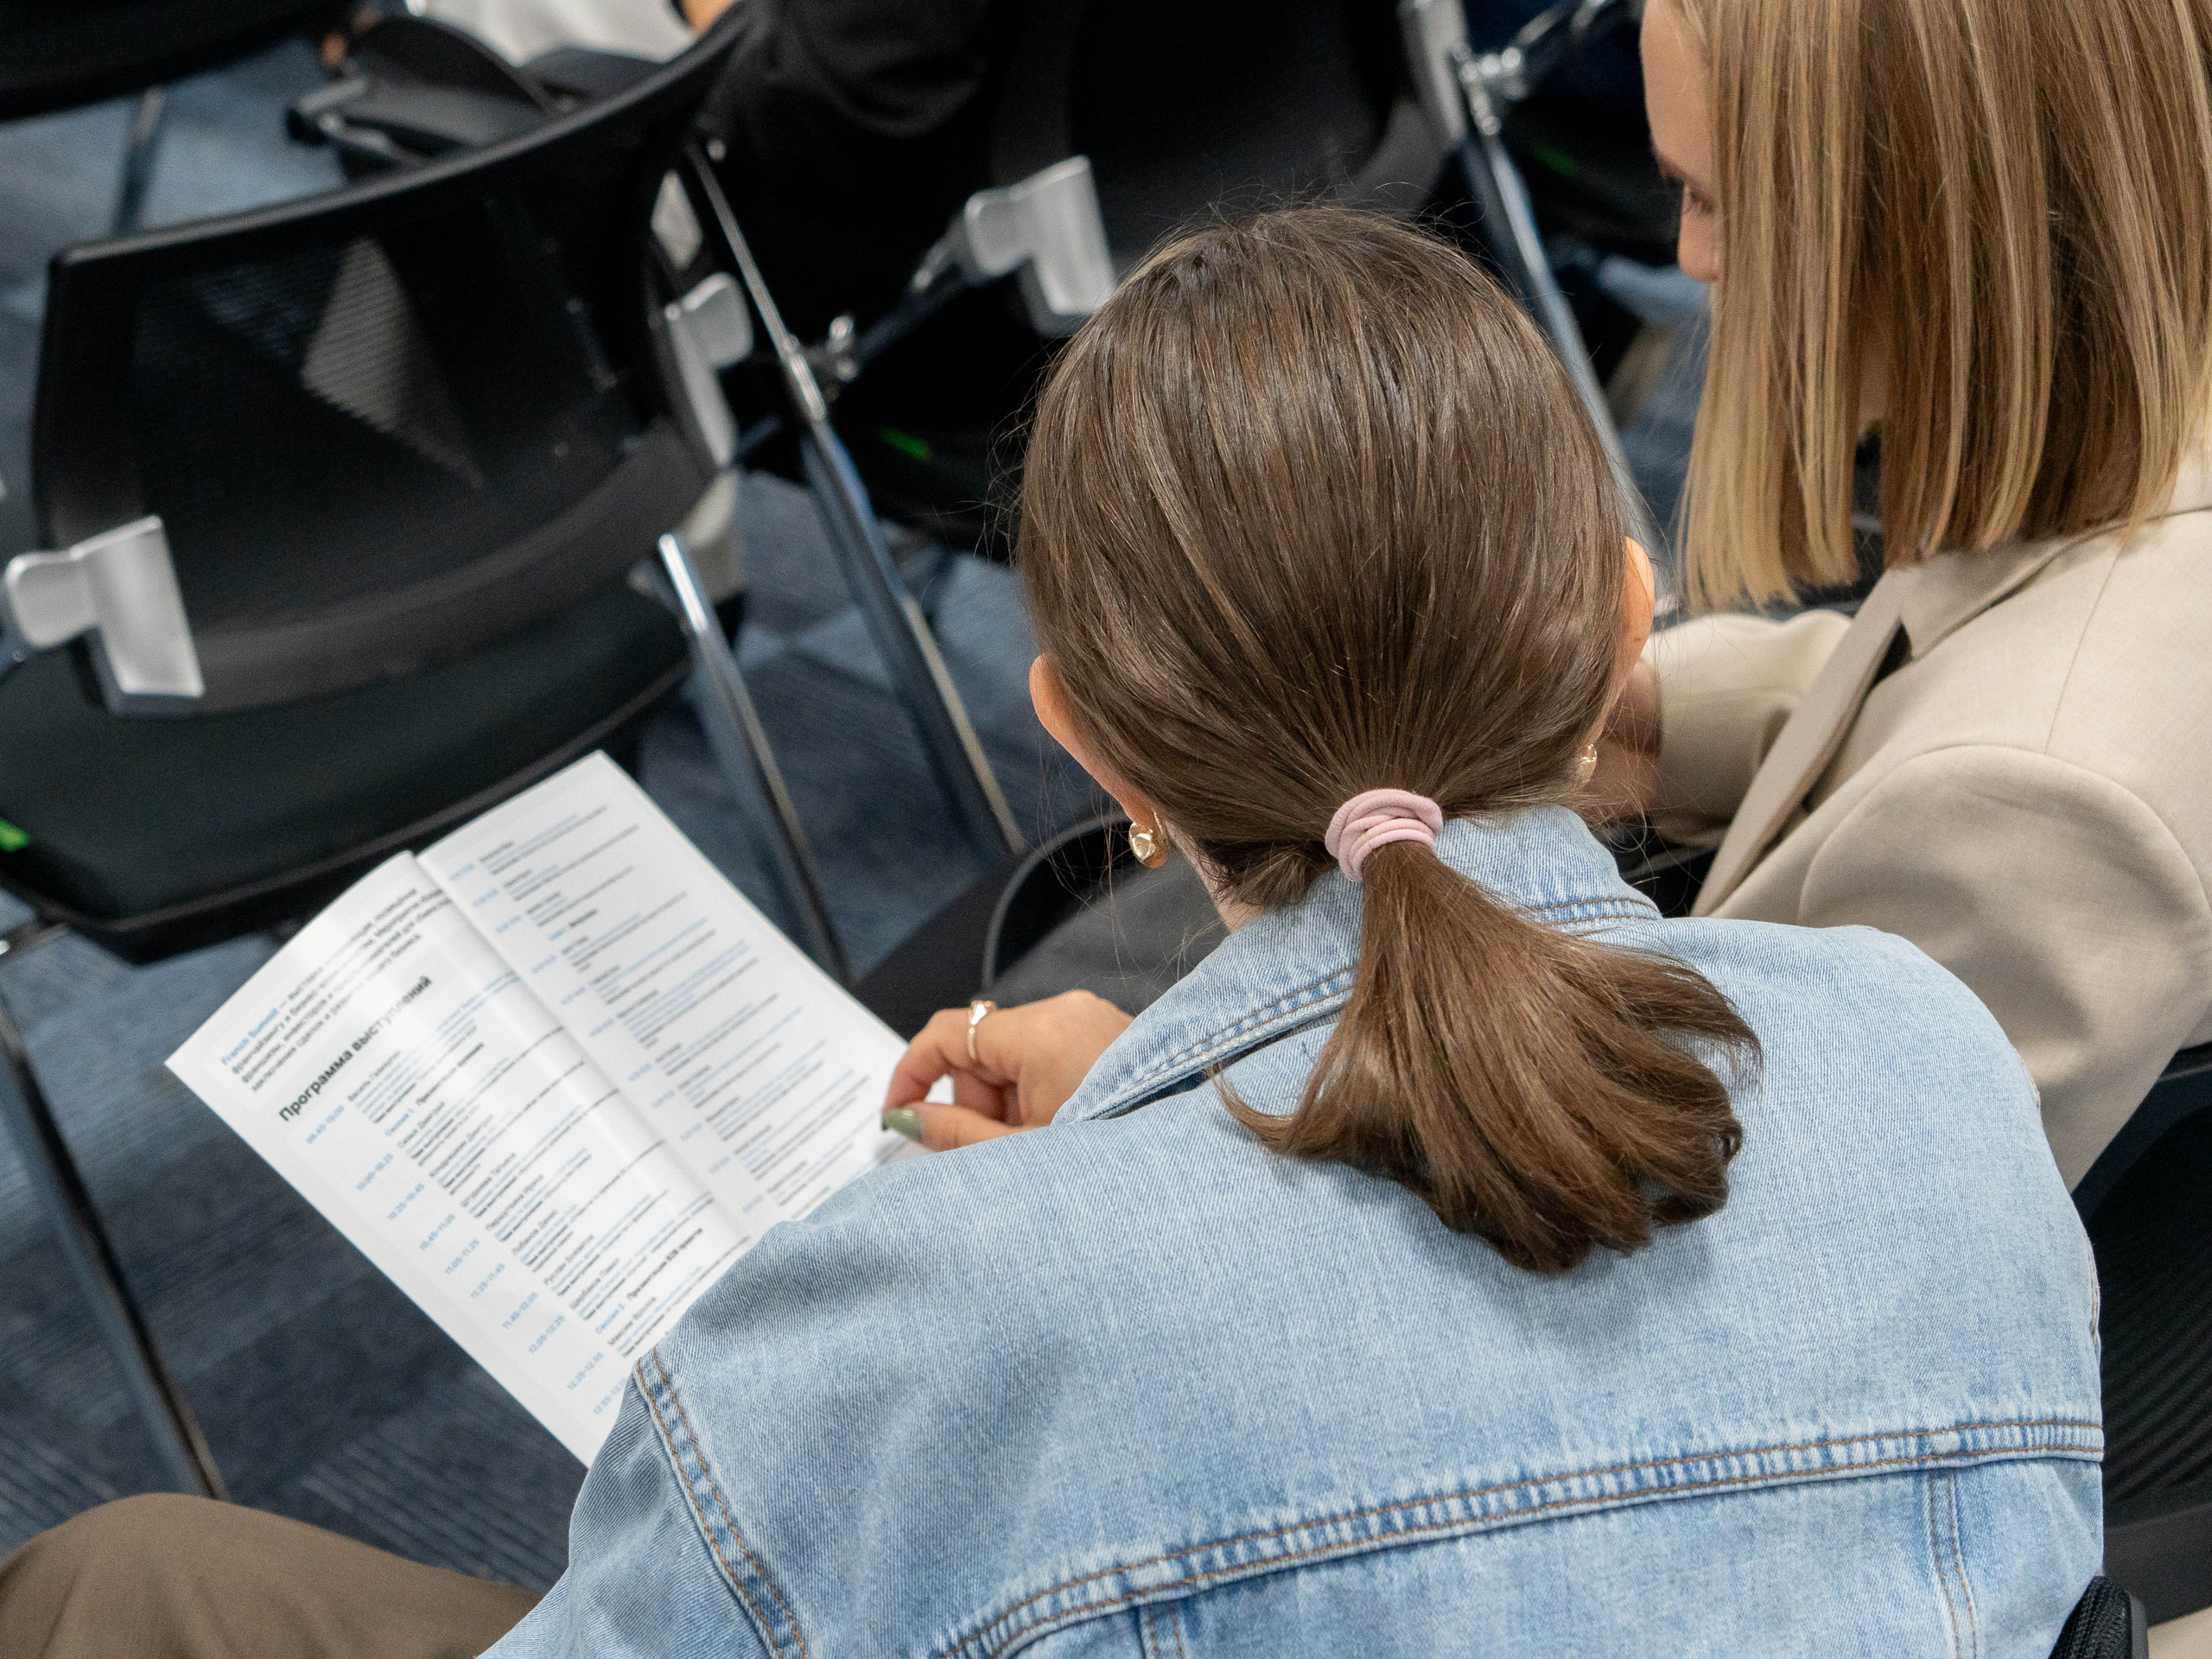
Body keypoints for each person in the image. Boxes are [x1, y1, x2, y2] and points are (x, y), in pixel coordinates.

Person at [0, 208, 2098, 1656]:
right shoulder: (1924, 1065)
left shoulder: (912, 1330)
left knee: (114, 1583)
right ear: (1627, 625)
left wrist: (1058, 1237)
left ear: (1091, 746)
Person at [1596, 0, 2212, 1189]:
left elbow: (1749, 1255)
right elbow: (1971, 669)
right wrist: (1659, 718)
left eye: (1713, 197)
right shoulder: (2145, 444)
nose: (1691, 260)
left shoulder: (2042, 821)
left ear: (1925, 230)